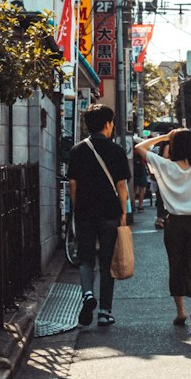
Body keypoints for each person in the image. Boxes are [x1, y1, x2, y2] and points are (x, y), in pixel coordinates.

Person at [135, 129, 191, 335]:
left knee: (177, 265)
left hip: (174, 224)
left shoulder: (164, 166)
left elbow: (138, 146)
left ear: (172, 147)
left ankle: (181, 311)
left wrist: (164, 137)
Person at [68, 105, 131, 329]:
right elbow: (121, 185)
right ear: (107, 124)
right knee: (107, 261)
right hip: (110, 213)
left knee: (85, 258)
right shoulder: (116, 151)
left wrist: (77, 210)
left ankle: (87, 294)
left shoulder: (77, 150)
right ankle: (105, 312)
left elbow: (73, 184)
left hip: (85, 212)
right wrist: (123, 213)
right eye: (112, 122)